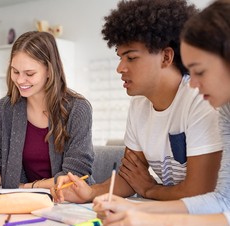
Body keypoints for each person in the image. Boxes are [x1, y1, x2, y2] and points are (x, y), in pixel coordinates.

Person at [54, 0, 222, 203]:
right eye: (120, 57)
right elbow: (131, 176)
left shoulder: (200, 100)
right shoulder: (139, 106)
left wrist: (150, 189)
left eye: (131, 58)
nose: (120, 68)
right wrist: (91, 192)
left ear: (166, 57)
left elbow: (200, 192)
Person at [92, 0, 230, 226]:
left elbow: (208, 197)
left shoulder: (203, 104)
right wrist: (132, 209)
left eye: (199, 71)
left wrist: (159, 218)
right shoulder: (226, 110)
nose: (194, 84)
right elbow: (223, 201)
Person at [0, 31, 94, 194]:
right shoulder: (3, 110)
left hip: (67, 201)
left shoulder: (77, 109)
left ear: (49, 70)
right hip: (19, 200)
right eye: (15, 71)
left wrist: (26, 188)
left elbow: (75, 175)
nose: (19, 80)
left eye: (29, 74)